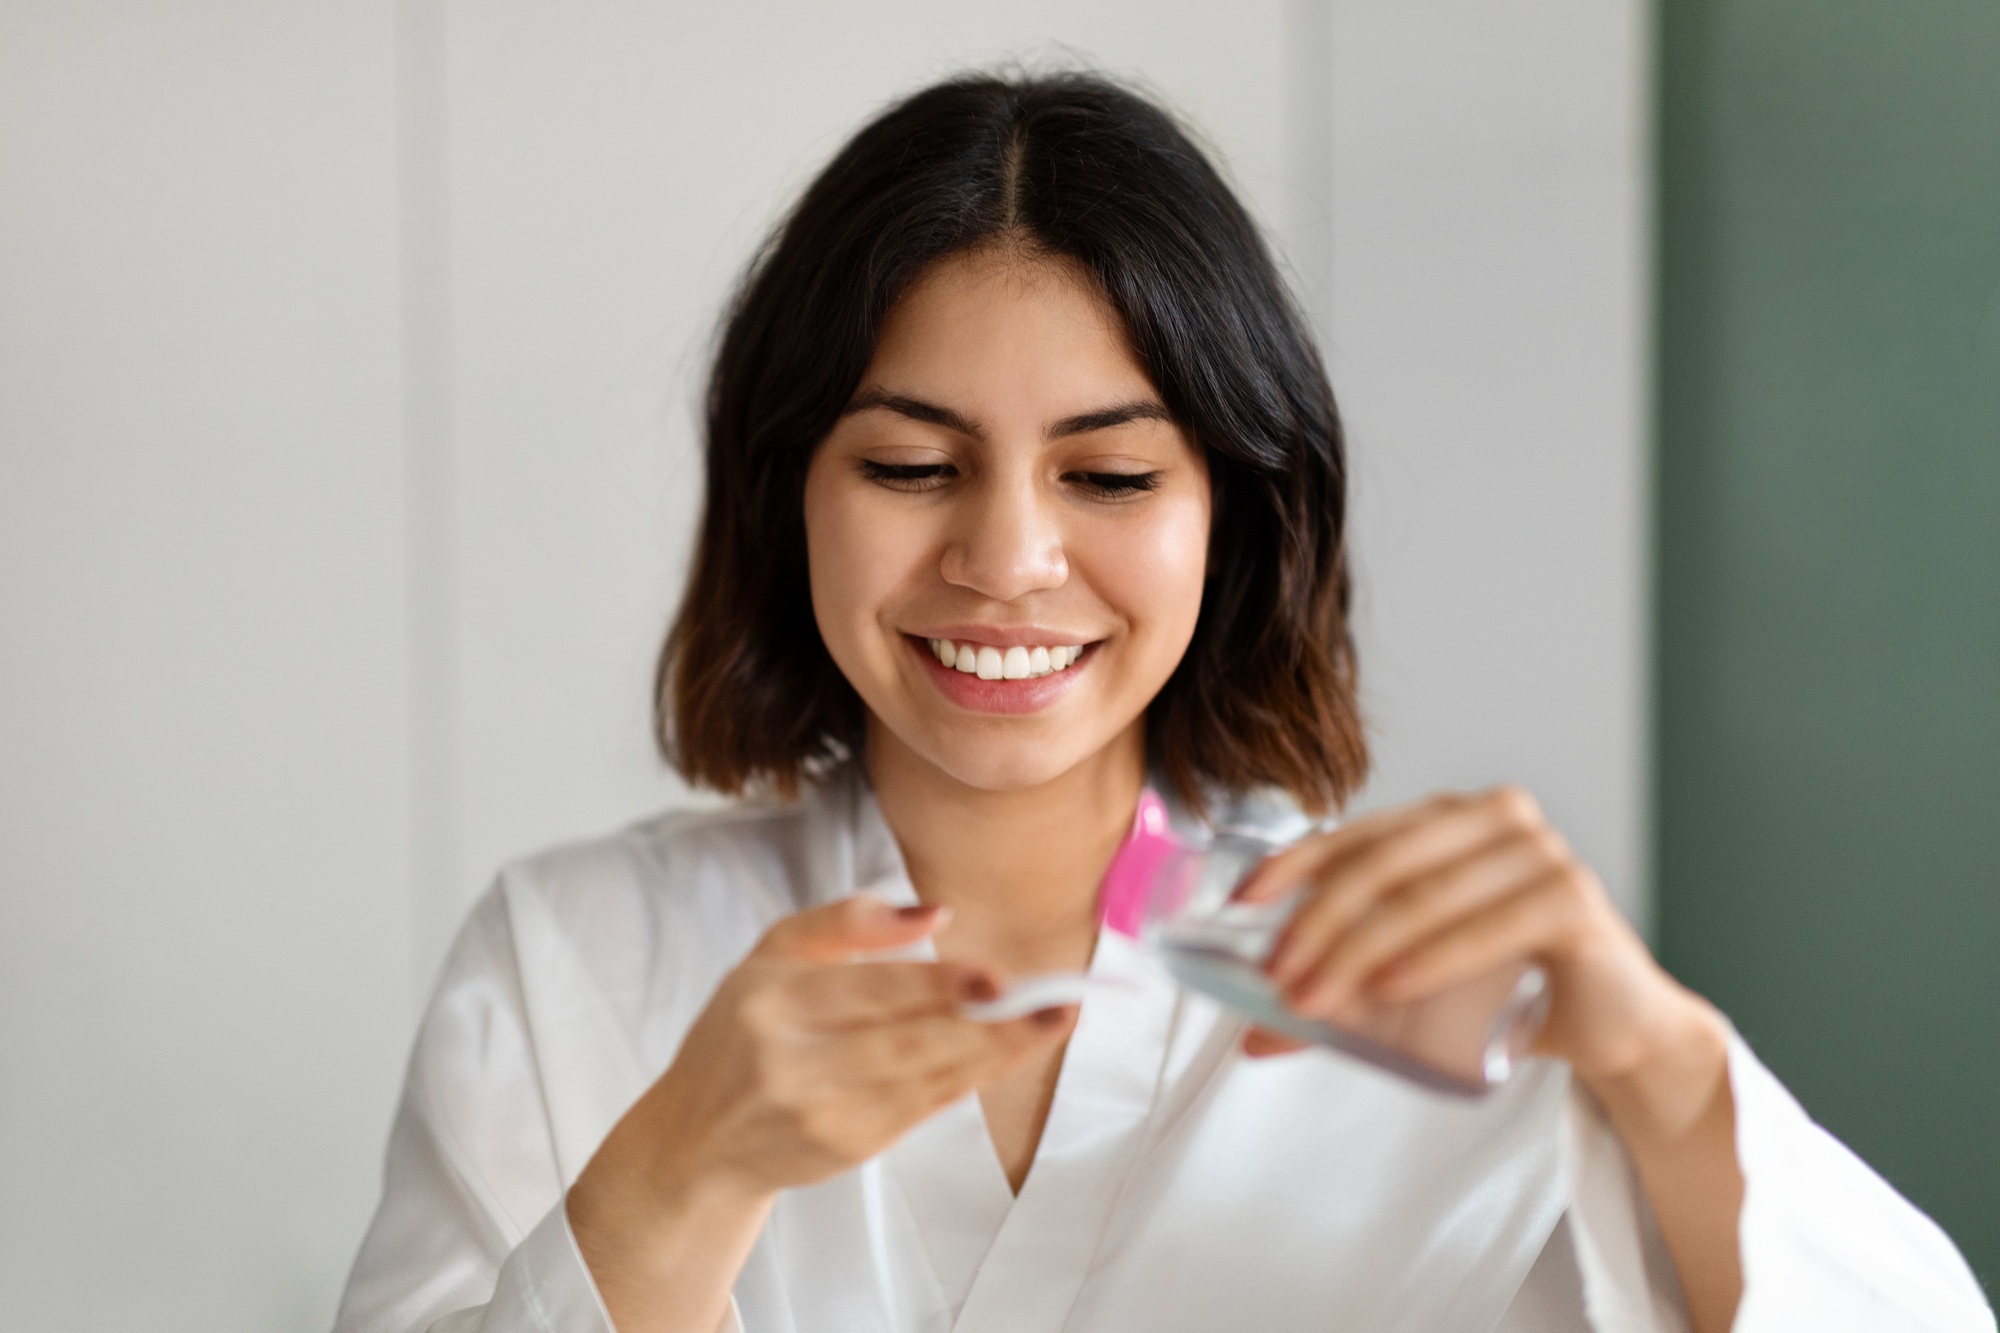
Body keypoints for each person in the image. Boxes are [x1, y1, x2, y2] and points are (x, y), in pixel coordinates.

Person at [333, 74, 1993, 1333]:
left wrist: (1655, 1054)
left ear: (1237, 514)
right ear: (788, 498)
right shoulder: (566, 969)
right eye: (913, 464)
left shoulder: (1433, 999)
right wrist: (681, 1171)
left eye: (1112, 472)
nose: (1006, 557)